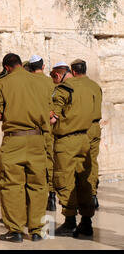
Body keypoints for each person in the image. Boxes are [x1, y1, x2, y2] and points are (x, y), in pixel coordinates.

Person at [0, 53, 51, 243]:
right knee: (38, 185)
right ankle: (37, 230)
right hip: (37, 139)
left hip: (14, 140)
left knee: (11, 185)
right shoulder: (42, 82)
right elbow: (51, 113)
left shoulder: (3, 83)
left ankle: (15, 230)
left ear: (7, 67)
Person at [50, 62, 95, 237]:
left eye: (54, 77)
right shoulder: (88, 87)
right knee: (84, 181)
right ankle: (86, 221)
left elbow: (53, 118)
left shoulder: (63, 89)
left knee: (65, 180)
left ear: (59, 74)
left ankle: (69, 222)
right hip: (84, 138)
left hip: (66, 141)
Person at [70, 59, 102, 210]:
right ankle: (93, 194)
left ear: (74, 72)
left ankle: (81, 195)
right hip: (96, 127)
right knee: (93, 161)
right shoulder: (95, 85)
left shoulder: (76, 86)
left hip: (83, 127)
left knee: (80, 163)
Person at [28, 55, 57, 211]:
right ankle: (52, 197)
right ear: (43, 66)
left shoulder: (28, 83)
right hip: (48, 126)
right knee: (49, 160)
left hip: (32, 129)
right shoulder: (50, 82)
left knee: (33, 164)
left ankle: (36, 199)